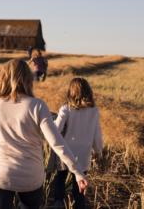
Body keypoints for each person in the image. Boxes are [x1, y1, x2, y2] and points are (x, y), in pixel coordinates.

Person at [0, 59, 88, 209]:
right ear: (28, 78)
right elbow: (56, 143)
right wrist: (78, 172)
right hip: (31, 177)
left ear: (3, 77)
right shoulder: (38, 105)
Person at [52, 78, 103, 209]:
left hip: (66, 150)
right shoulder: (94, 111)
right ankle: (79, 205)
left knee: (61, 175)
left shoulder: (65, 107)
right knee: (79, 182)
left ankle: (58, 201)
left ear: (71, 91)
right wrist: (98, 150)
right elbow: (97, 133)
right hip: (84, 152)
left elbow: (56, 128)